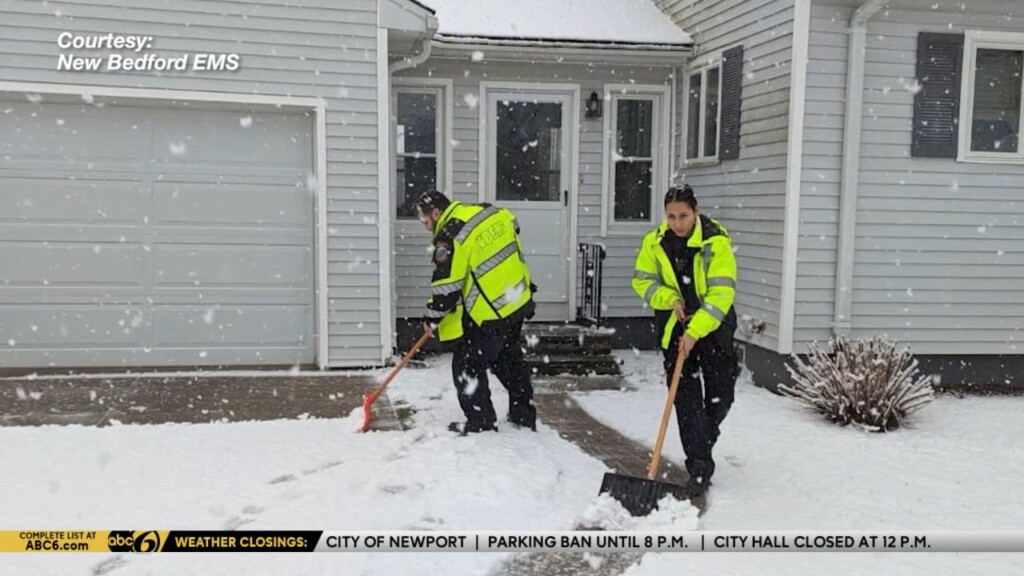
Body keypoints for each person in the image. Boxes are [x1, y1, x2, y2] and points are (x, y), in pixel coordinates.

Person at [631, 184, 740, 496]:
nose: (677, 223)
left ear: (696, 211)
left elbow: (721, 294)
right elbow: (642, 281)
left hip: (714, 327)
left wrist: (695, 331)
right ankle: (699, 468)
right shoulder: (655, 242)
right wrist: (670, 298)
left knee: (721, 395)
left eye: (683, 216)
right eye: (671, 217)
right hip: (675, 327)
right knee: (686, 399)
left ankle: (703, 439)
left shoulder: (715, 242)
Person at [416, 190, 538, 436]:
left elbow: (447, 288)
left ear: (436, 213)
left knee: (466, 365)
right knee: (508, 359)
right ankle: (523, 415)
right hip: (516, 301)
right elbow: (513, 225)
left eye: (424, 219)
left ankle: (481, 421)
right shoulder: (485, 211)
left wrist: (431, 318)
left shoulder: (451, 235)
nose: (424, 225)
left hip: (490, 313)